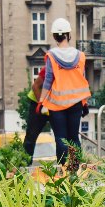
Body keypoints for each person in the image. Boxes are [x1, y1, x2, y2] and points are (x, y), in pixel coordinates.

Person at [32, 17, 90, 166]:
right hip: (76, 103)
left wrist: (41, 102)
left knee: (61, 138)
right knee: (74, 137)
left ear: (54, 36)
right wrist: (84, 102)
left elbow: (48, 80)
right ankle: (75, 168)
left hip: (57, 105)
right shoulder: (80, 56)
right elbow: (81, 79)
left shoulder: (52, 56)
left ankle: (63, 170)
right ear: (69, 34)